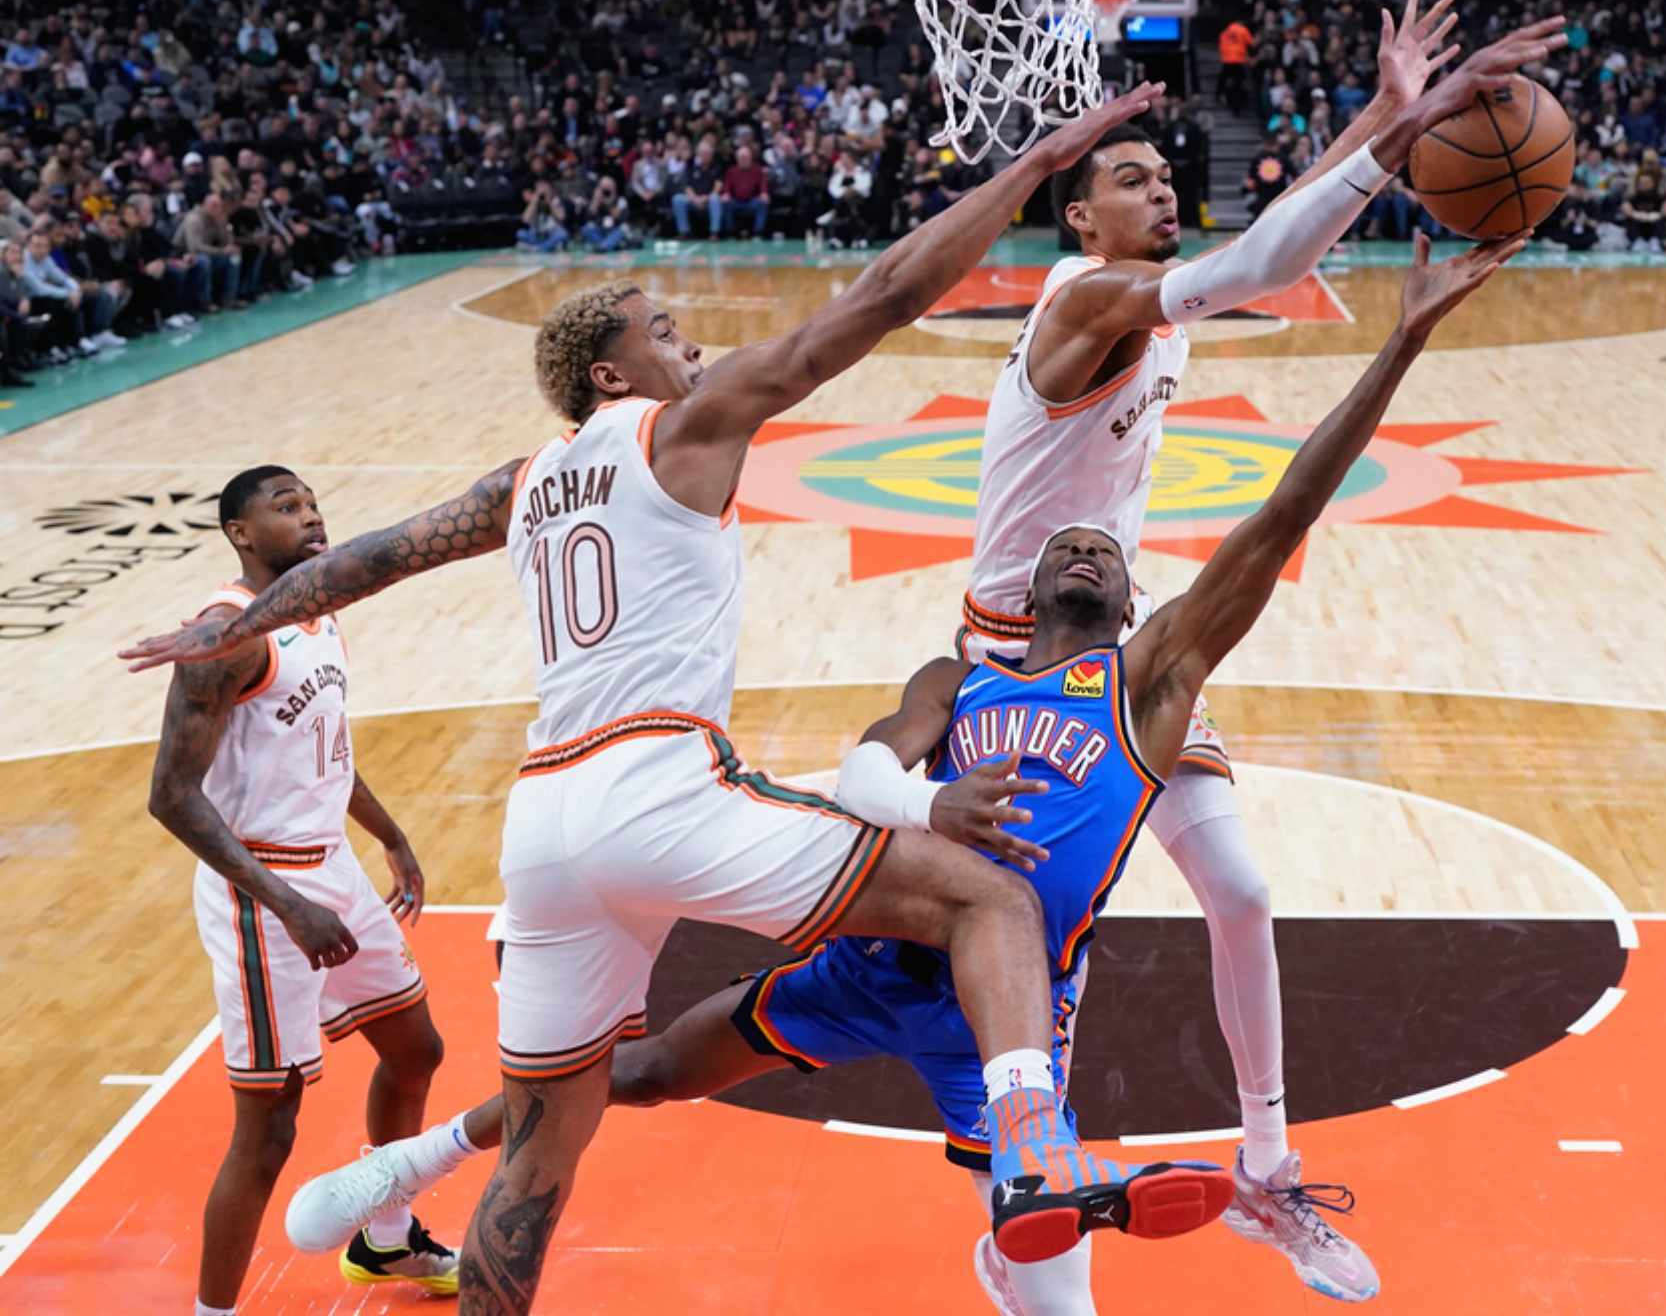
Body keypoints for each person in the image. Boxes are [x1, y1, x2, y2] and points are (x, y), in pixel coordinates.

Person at [122, 85, 1235, 1315]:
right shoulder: (681, 426)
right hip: (659, 782)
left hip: (542, 827)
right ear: (614, 372)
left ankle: (440, 1211)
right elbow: (880, 298)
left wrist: (231, 623)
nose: (691, 343)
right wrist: (1034, 168)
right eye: (666, 329)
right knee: (988, 899)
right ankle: (1032, 1152)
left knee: (542, 1159)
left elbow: (368, 557)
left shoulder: (523, 481)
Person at [279, 228, 1522, 1316]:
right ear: (1021, 591)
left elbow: (1285, 511)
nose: (1086, 549)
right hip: (871, 961)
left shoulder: (1150, 684)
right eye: (1065, 546)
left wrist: (1403, 344)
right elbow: (860, 770)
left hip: (999, 1016)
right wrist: (929, 802)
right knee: (646, 1069)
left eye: (1106, 551)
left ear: (1134, 597)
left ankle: (1042, 1201)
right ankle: (413, 1163)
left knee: (1049, 1278)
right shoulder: (955, 682)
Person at [952, 1, 1563, 1302]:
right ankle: (1023, 1221)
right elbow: (1264, 269)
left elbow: (1272, 244)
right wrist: (1394, 138)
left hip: (1112, 643)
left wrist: (1388, 112)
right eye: (1130, 175)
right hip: (1014, 660)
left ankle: (1270, 1172)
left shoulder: (1134, 297)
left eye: (1169, 175)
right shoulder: (1086, 304)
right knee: (1045, 939)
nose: (1160, 187)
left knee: (1238, 890)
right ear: (1080, 220)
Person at [144, 466, 461, 1314]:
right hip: (260, 887)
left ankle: (386, 1240)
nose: (311, 516)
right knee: (270, 1127)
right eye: (286, 507)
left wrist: (386, 834)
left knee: (416, 1050)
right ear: (240, 533)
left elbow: (320, 744)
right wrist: (287, 902)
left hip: (332, 868)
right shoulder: (230, 637)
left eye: (314, 502)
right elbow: (170, 797)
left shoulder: (316, 613)